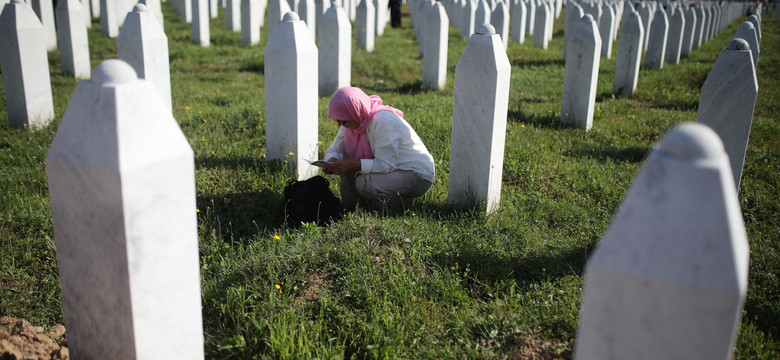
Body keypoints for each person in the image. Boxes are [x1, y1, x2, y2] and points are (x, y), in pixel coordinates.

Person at [322, 87, 434, 215]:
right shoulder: (352, 122)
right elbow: (335, 149)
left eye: (342, 121)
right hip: (393, 171)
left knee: (364, 182)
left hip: (415, 175)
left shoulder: (383, 121)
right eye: (337, 120)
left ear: (355, 111)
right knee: (346, 165)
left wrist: (353, 164)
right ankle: (348, 209)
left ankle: (392, 209)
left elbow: (386, 165)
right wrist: (331, 162)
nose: (339, 125)